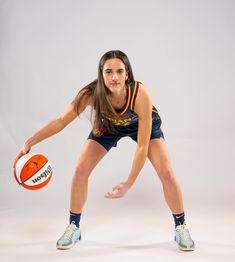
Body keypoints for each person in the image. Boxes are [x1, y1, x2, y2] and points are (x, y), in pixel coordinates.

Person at [14, 50, 195, 251]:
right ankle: (74, 226)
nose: (114, 77)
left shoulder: (140, 94)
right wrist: (30, 141)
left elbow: (142, 145)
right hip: (109, 125)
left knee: (167, 173)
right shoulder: (89, 94)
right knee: (80, 171)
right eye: (109, 72)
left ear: (127, 74)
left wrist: (129, 182)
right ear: (101, 74)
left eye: (119, 71)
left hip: (142, 126)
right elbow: (60, 121)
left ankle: (181, 226)